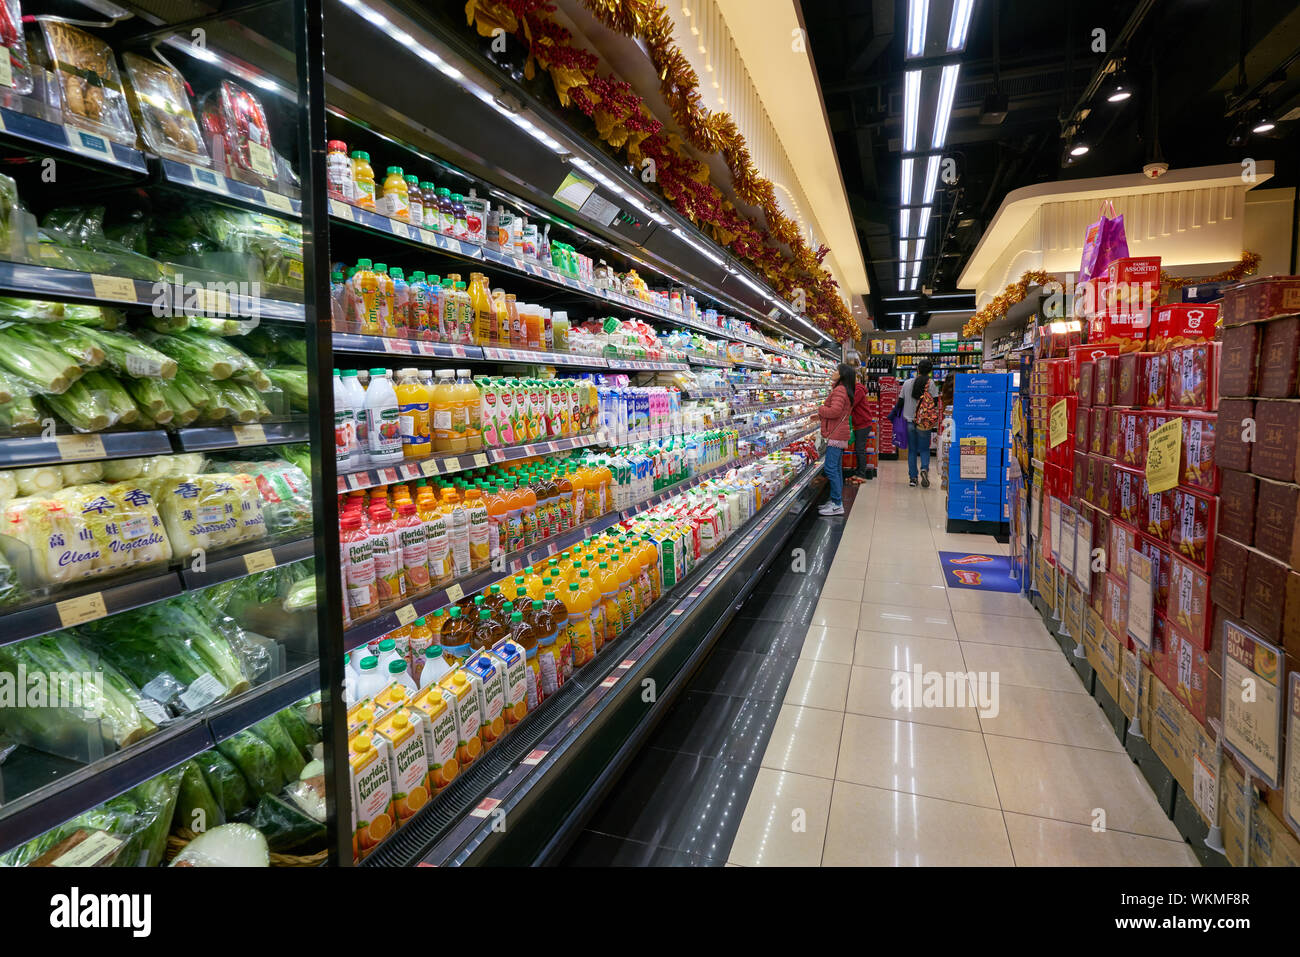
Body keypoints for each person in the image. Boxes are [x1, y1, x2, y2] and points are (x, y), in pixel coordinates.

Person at [893, 357, 939, 488]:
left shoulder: (907, 383)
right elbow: (934, 403)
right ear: (930, 371)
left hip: (909, 422)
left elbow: (900, 403)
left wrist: (895, 416)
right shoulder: (931, 384)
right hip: (924, 423)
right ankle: (924, 468)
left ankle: (913, 478)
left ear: (917, 369)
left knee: (912, 451)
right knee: (924, 449)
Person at [817, 363, 855, 516]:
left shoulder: (839, 390)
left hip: (836, 435)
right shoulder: (844, 389)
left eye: (836, 370)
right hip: (840, 433)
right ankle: (835, 500)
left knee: (830, 468)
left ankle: (837, 504)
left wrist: (820, 408)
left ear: (841, 374)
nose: (833, 372)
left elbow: (835, 411)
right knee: (836, 468)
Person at [848, 374, 872, 484]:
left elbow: (851, 404)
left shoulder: (858, 390)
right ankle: (858, 472)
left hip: (863, 423)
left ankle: (861, 475)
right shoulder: (856, 389)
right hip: (860, 423)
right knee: (858, 449)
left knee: (860, 449)